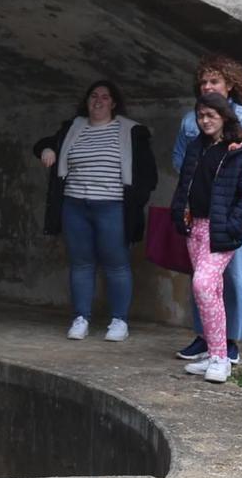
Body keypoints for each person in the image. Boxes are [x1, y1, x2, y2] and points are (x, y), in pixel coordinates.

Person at [34, 81, 159, 341]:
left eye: (105, 97)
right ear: (87, 101)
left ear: (113, 103)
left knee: (117, 264)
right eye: (94, 96)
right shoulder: (73, 127)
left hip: (112, 207)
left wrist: (134, 202)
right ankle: (81, 318)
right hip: (75, 205)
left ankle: (119, 321)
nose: (98, 101)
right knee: (81, 263)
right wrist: (47, 149)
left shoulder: (131, 131)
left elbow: (148, 175)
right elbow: (46, 143)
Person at [171, 56, 242, 364]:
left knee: (233, 277)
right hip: (199, 214)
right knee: (202, 278)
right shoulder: (190, 119)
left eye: (215, 81)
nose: (208, 86)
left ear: (230, 85)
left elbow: (240, 155)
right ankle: (205, 337)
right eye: (204, 82)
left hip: (229, 211)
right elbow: (180, 160)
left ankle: (230, 341)